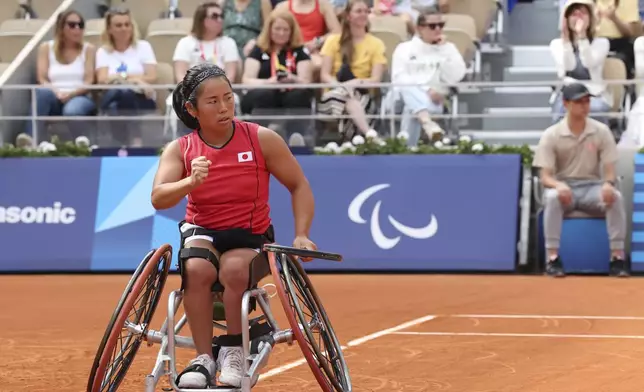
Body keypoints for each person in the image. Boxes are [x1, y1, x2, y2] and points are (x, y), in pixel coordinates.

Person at [150, 63, 317, 389]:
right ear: (192, 109)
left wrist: (302, 234)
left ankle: (234, 352)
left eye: (228, 97)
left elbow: (299, 185)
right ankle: (203, 358)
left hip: (249, 234)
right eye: (212, 101)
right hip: (203, 231)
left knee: (234, 270)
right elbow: (158, 198)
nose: (224, 107)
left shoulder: (261, 139)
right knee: (196, 269)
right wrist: (190, 181)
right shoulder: (181, 149)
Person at [532, 83, 629, 278]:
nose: (585, 106)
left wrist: (608, 184)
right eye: (579, 102)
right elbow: (545, 177)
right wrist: (559, 185)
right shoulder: (551, 135)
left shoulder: (601, 131)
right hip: (564, 187)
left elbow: (610, 172)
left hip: (592, 187)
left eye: (587, 101)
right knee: (551, 198)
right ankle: (552, 258)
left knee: (615, 197)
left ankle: (617, 258)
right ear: (565, 103)